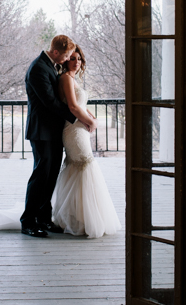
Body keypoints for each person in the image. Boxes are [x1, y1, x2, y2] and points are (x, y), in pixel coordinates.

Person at [20, 35, 96, 238]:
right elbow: (50, 102)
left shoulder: (52, 65)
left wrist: (85, 114)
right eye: (66, 55)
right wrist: (79, 119)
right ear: (55, 52)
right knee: (41, 174)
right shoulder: (38, 68)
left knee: (51, 174)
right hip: (41, 131)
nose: (69, 58)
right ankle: (28, 221)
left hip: (54, 130)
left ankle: (44, 218)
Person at [51, 45, 121, 238]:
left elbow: (82, 105)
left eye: (79, 59)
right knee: (84, 164)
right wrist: (91, 122)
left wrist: (93, 119)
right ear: (66, 61)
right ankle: (81, 218)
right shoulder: (65, 78)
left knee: (80, 168)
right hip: (73, 130)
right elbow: (73, 107)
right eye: (72, 58)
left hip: (81, 129)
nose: (77, 62)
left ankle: (77, 217)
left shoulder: (74, 79)